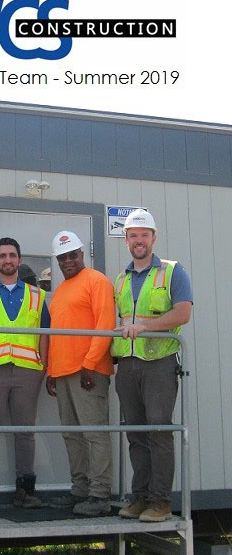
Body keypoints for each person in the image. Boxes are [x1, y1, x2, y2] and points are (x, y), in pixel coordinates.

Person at [112, 209, 192, 522]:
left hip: (159, 363)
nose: (139, 240)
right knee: (135, 434)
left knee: (159, 432)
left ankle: (160, 502)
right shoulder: (120, 279)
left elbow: (182, 313)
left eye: (144, 234)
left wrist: (146, 326)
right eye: (133, 235)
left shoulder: (173, 271)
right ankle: (140, 498)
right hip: (128, 365)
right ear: (126, 240)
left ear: (153, 238)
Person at [0, 237, 50, 510]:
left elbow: (44, 334)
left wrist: (44, 368)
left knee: (25, 432)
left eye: (12, 255)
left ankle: (25, 491)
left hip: (28, 371)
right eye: (2, 255)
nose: (7, 260)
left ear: (19, 260)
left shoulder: (37, 296)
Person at [46, 231, 116, 516]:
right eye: (62, 257)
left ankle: (99, 496)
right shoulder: (61, 290)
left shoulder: (97, 281)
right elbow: (55, 333)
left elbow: (105, 324)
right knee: (72, 435)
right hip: (63, 372)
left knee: (94, 433)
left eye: (72, 254)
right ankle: (80, 490)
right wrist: (51, 370)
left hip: (88, 371)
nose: (68, 260)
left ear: (81, 255)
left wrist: (90, 362)